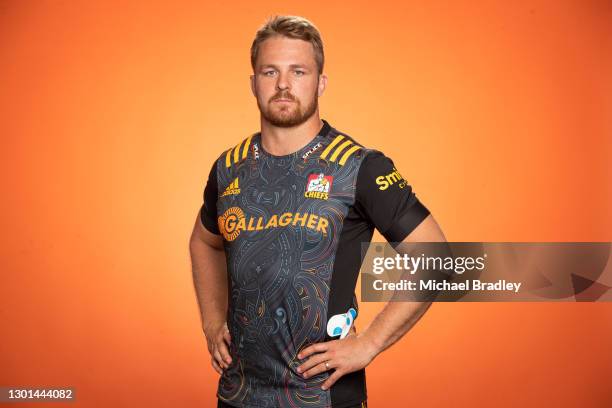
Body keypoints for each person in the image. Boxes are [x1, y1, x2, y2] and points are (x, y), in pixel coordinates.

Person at [189, 15, 447, 408]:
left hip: (323, 397)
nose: (283, 84)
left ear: (320, 82)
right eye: (269, 71)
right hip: (238, 394)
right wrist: (211, 322)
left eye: (298, 71)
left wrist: (370, 343)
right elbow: (204, 243)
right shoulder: (229, 167)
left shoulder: (359, 165)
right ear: (253, 83)